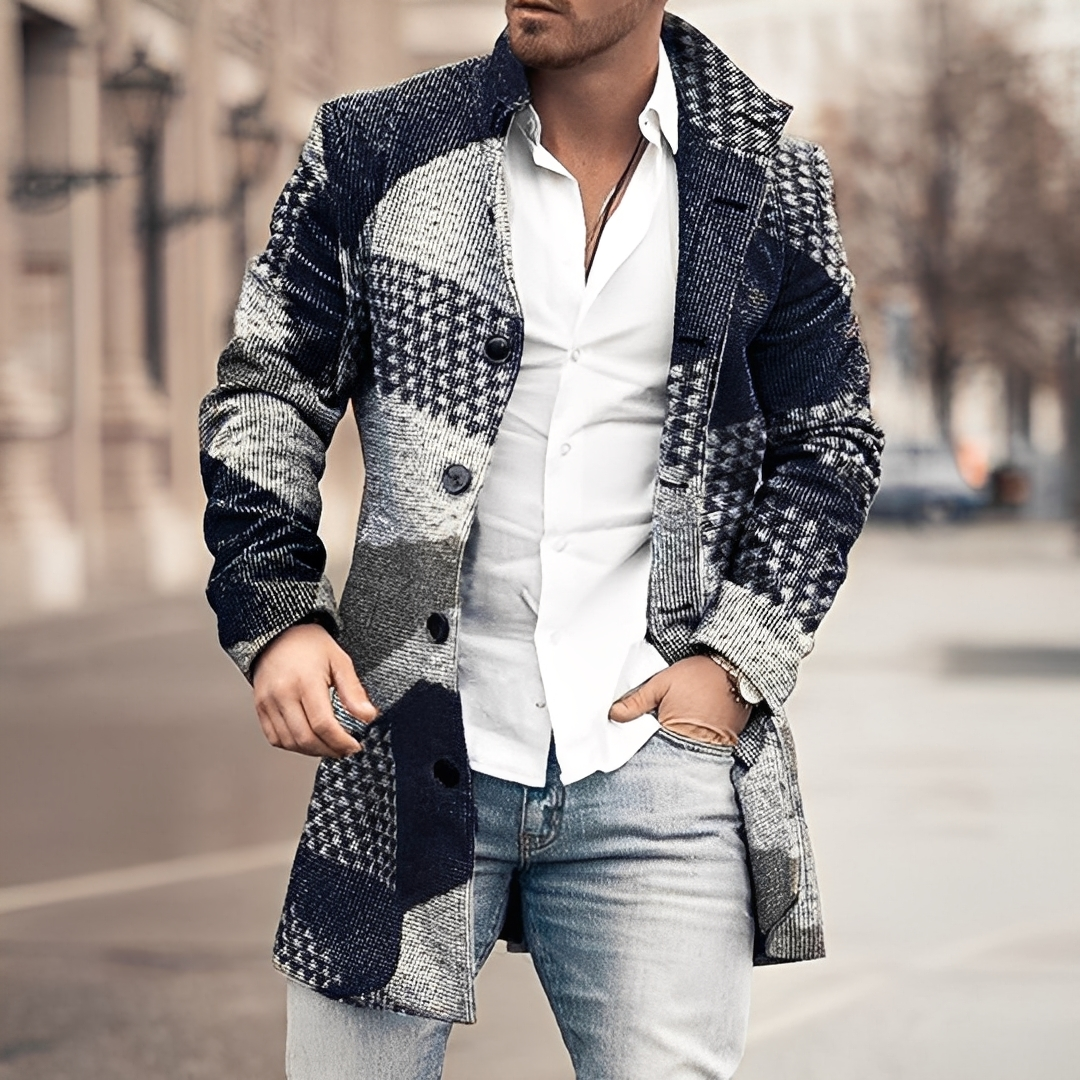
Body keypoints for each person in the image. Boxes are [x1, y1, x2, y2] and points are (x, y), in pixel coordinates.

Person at [199, 0, 883, 1075]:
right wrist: (278, 613)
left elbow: (831, 440)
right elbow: (268, 388)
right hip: (406, 740)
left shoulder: (766, 181)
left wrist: (736, 664)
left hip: (653, 762)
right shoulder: (379, 146)